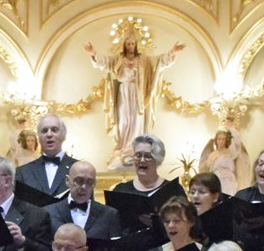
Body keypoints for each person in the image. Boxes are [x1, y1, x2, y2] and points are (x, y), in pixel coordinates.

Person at [83, 32, 185, 167]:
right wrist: (93, 53)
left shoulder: (143, 60)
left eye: (133, 44)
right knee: (123, 121)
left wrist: (172, 52)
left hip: (138, 95)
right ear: (124, 45)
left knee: (137, 120)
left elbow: (159, 62)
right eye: (128, 44)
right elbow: (105, 63)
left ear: (136, 45)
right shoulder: (118, 59)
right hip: (123, 93)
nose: (130, 46)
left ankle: (135, 148)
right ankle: (123, 148)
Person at [14, 114, 77, 195]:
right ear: (39, 137)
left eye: (54, 130)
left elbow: (87, 206)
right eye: (44, 131)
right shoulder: (23, 172)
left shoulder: (79, 169)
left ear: (64, 135)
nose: (49, 134)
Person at [199, 129, 249, 194]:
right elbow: (208, 169)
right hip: (217, 180)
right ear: (216, 141)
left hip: (229, 180)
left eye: (223, 139)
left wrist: (231, 128)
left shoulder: (231, 152)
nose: (221, 141)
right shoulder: (213, 154)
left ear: (226, 141)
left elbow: (237, 143)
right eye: (219, 139)